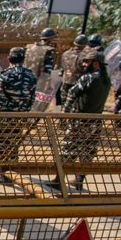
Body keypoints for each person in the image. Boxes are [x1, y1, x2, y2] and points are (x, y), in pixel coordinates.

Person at [45, 50, 112, 192]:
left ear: (96, 63)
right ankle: (79, 180)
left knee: (68, 150)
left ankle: (58, 181)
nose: (83, 64)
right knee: (87, 152)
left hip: (79, 120)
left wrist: (65, 115)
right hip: (95, 122)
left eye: (87, 61)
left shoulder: (87, 78)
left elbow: (71, 94)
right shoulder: (107, 80)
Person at [0, 47, 37, 184]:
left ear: (9, 59)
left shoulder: (5, 75)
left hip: (5, 116)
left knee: (2, 143)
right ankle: (13, 171)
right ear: (23, 60)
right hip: (20, 116)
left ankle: (4, 173)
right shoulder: (31, 75)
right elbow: (31, 98)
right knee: (15, 142)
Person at [57, 34, 87, 106]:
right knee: (74, 103)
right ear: (84, 45)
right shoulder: (84, 56)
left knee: (64, 102)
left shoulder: (65, 53)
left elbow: (62, 67)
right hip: (77, 83)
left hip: (65, 80)